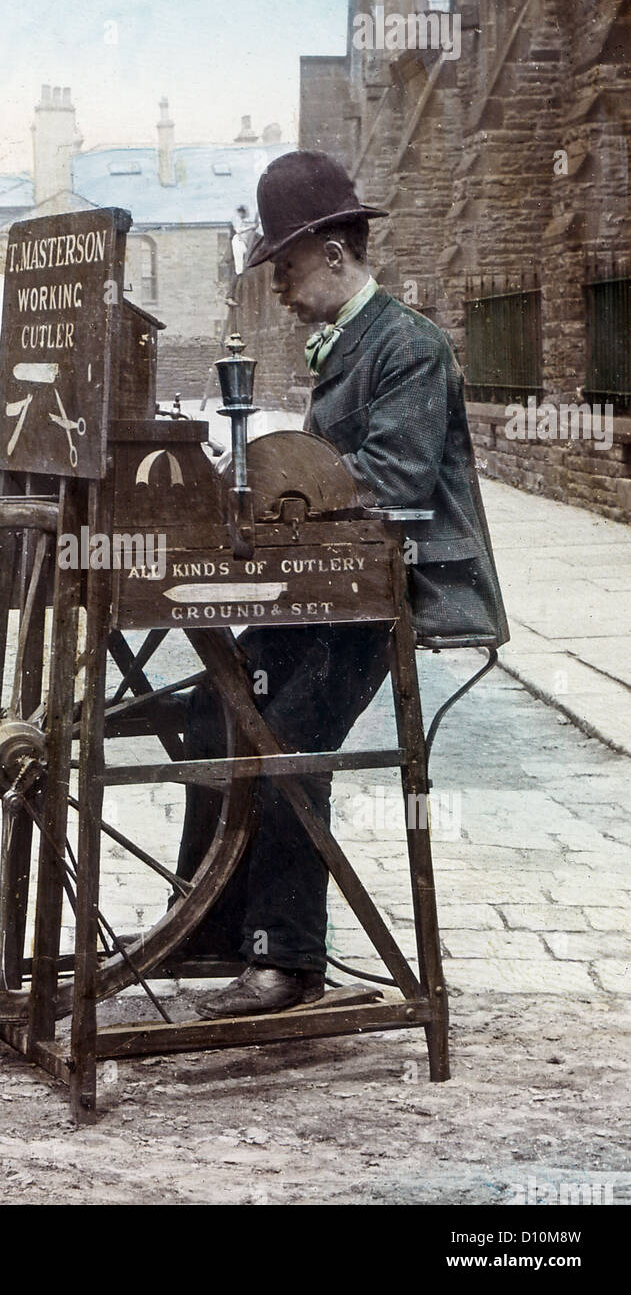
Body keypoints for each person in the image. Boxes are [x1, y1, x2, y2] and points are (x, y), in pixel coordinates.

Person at [181, 150, 508, 1019]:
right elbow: (328, 474)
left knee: (287, 743)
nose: (279, 289)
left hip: (377, 599)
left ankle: (286, 964)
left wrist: (270, 472)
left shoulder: (408, 345)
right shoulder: (346, 347)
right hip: (322, 591)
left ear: (332, 252)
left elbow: (390, 482)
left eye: (283, 267)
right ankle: (210, 924)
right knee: (212, 707)